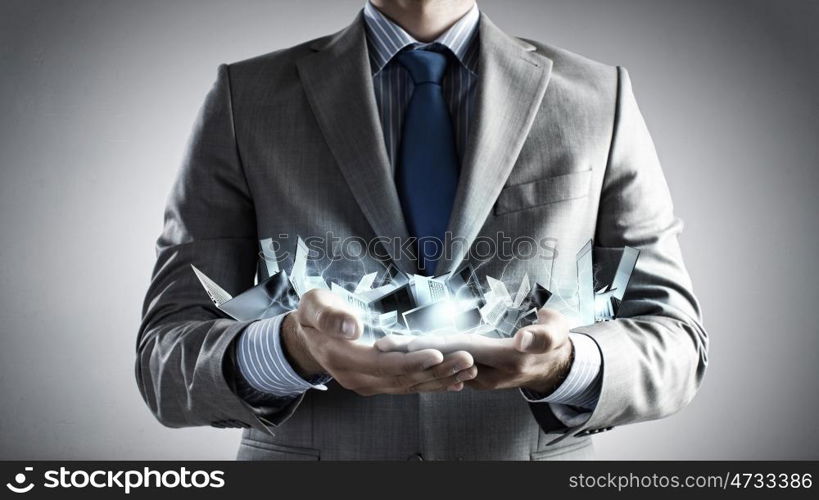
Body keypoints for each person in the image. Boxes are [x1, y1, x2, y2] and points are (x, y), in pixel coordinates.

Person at [136, 0, 708, 460]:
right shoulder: (248, 97)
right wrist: (291, 351)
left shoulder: (597, 98)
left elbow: (676, 344)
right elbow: (166, 359)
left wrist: (564, 364)